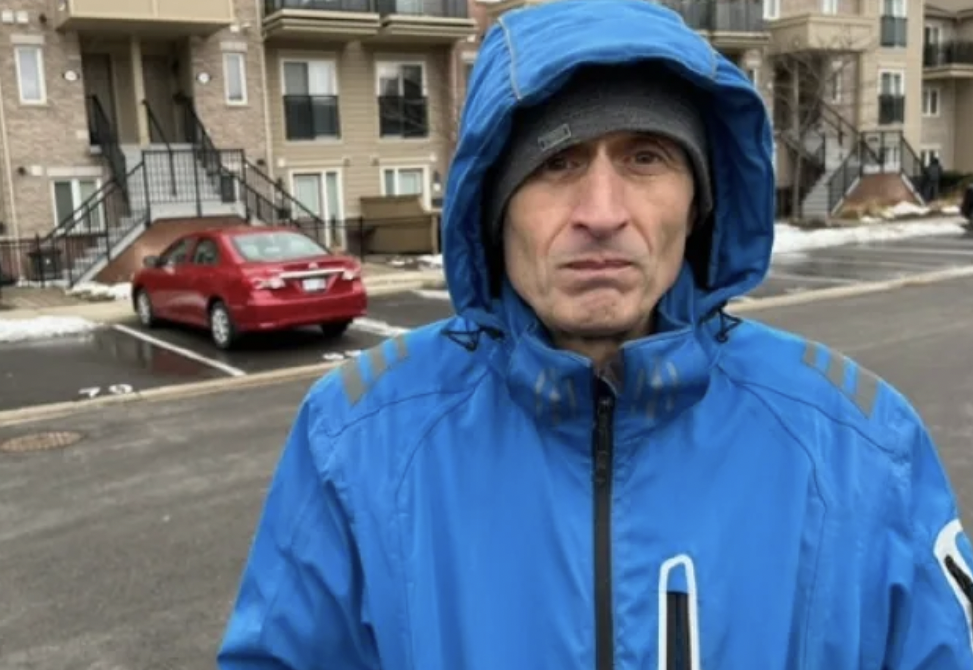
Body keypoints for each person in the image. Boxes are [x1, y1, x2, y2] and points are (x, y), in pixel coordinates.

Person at [216, 1, 973, 667]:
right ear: (492, 206)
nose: (602, 212)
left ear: (699, 203)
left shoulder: (860, 446)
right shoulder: (357, 439)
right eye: (557, 160)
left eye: (646, 157)